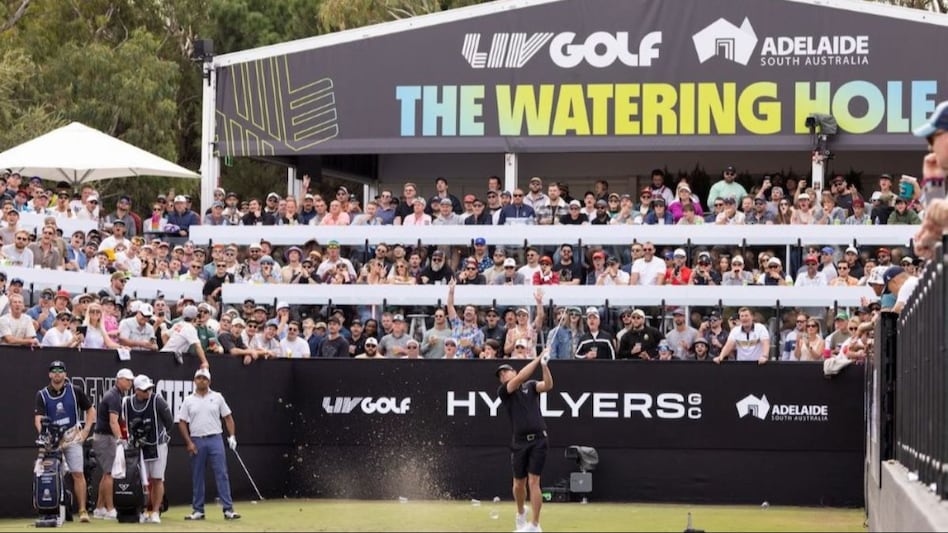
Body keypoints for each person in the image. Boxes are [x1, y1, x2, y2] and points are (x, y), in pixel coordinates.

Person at [496, 349, 552, 533]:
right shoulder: (505, 391)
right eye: (501, 375)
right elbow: (521, 376)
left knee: (534, 482)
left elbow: (548, 385)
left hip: (539, 440)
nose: (503, 375)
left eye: (506, 371)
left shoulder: (531, 386)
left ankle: (535, 524)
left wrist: (544, 365)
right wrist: (539, 357)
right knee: (518, 484)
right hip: (519, 442)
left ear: (512, 370)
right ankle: (520, 514)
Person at [34, 360, 96, 523]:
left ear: (65, 374)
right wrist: (45, 437)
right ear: (49, 374)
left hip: (72, 436)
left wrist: (86, 431)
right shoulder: (42, 394)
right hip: (52, 440)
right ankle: (55, 510)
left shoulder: (74, 391)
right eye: (54, 370)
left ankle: (82, 510)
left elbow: (91, 410)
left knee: (78, 473)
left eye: (60, 370)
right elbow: (38, 419)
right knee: (52, 475)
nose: (57, 373)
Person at [176, 368, 241, 521]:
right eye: (199, 378)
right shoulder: (188, 400)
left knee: (222, 474)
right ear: (194, 381)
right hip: (197, 440)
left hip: (215, 439)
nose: (201, 380)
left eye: (204, 378)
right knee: (197, 476)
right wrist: (189, 442)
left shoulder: (217, 397)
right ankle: (198, 510)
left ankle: (228, 509)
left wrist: (232, 436)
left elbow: (228, 417)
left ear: (209, 381)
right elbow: (182, 422)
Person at [122, 375, 173, 523]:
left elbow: (169, 422)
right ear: (136, 390)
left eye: (150, 388)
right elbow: (125, 422)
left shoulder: (158, 400)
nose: (148, 392)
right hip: (137, 447)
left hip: (157, 445)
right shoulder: (127, 402)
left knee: (157, 478)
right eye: (144, 390)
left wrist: (158, 435)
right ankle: (142, 510)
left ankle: (155, 511)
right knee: (139, 481)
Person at [92, 368, 135, 520]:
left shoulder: (117, 395)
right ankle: (110, 509)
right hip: (105, 438)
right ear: (119, 380)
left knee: (107, 473)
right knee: (109, 474)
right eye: (127, 380)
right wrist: (120, 440)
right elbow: (113, 421)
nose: (130, 383)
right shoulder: (114, 396)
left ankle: (99, 508)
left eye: (131, 380)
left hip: (105, 437)